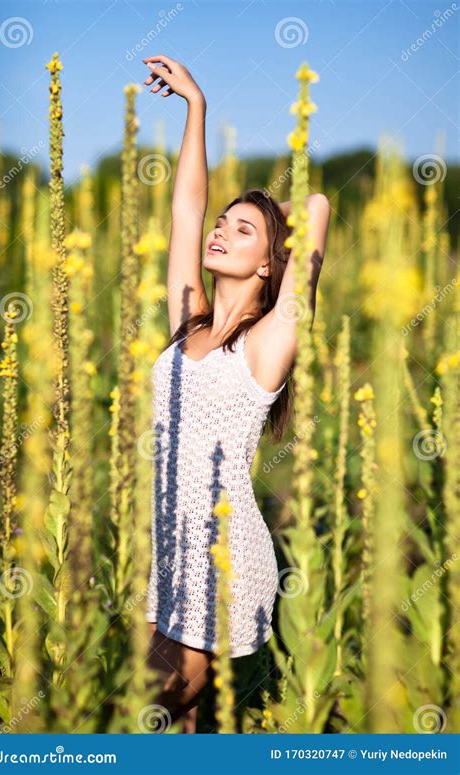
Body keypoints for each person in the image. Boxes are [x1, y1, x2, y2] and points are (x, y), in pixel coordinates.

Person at [142, 54, 331, 733]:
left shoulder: (268, 342)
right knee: (180, 724)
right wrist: (196, 104)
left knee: (149, 710)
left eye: (242, 230)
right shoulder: (187, 316)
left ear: (271, 260)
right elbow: (186, 207)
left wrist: (270, 220)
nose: (220, 231)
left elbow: (317, 206)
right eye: (224, 223)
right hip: (169, 548)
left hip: (227, 558)